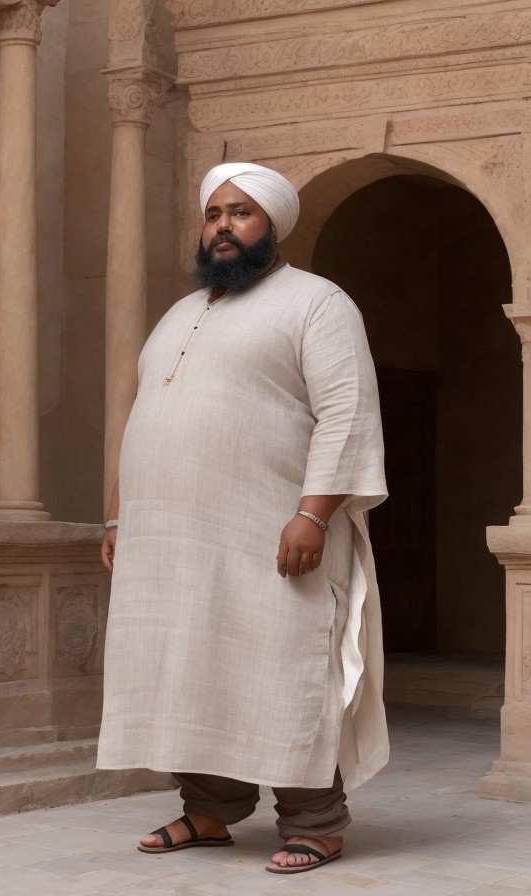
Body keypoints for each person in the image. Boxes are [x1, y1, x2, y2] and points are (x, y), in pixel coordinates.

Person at [96, 162, 388, 875]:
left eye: (241, 213)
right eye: (214, 213)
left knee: (284, 665)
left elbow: (346, 412)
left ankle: (315, 822)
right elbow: (144, 418)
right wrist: (118, 515)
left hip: (272, 533)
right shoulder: (180, 313)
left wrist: (312, 514)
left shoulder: (317, 303)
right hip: (175, 539)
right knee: (196, 667)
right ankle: (208, 811)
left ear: (272, 226)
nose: (223, 225)